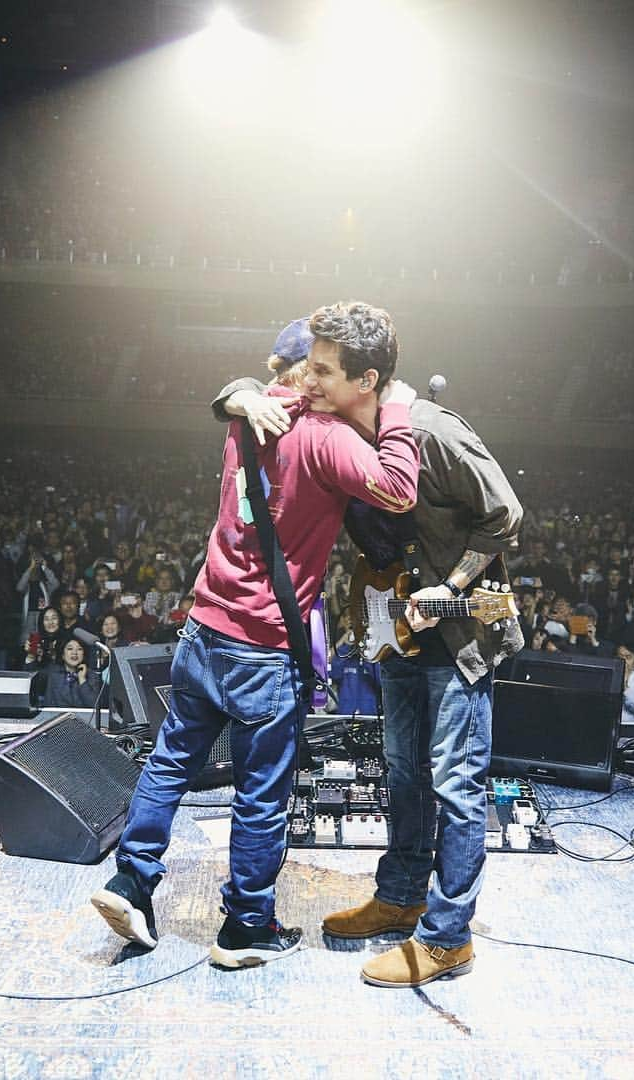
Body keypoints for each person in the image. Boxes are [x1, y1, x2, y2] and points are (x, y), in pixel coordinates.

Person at [91, 302, 419, 971]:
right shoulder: (324, 436)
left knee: (169, 761)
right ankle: (245, 928)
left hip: (202, 630)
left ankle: (131, 880)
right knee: (261, 793)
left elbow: (240, 395)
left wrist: (241, 392)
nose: (324, 381)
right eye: (319, 368)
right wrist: (399, 411)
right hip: (262, 649)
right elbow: (398, 487)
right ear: (304, 373)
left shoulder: (243, 420)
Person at [215, 312, 524, 988]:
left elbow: (506, 516)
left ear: (367, 380)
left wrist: (450, 586)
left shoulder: (431, 432)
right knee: (403, 772)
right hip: (399, 626)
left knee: (457, 785)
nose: (309, 380)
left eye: (324, 371)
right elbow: (243, 396)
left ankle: (447, 939)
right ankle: (403, 896)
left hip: (464, 625)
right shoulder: (337, 431)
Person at [44, 639, 103, 708]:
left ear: (83, 655)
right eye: (70, 649)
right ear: (63, 655)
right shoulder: (54, 674)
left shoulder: (93, 676)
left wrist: (82, 680)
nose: (74, 652)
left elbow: (95, 706)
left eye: (79, 649)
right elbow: (48, 706)